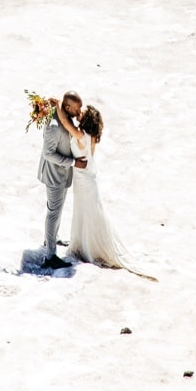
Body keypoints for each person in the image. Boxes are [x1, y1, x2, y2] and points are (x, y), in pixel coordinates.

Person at [61, 105, 132, 269]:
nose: (79, 112)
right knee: (86, 212)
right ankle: (83, 242)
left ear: (86, 120)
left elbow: (65, 122)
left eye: (82, 113)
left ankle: (88, 247)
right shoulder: (90, 135)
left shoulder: (81, 135)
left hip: (84, 181)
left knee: (86, 212)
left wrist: (58, 104)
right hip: (86, 179)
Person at [36, 91, 84, 270]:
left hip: (61, 175)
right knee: (53, 212)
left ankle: (52, 239)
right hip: (54, 176)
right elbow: (48, 154)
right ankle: (50, 256)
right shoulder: (54, 126)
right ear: (68, 107)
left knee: (57, 209)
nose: (79, 111)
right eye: (77, 108)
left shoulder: (64, 116)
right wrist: (73, 163)